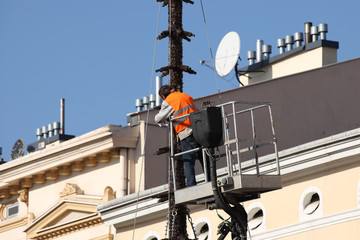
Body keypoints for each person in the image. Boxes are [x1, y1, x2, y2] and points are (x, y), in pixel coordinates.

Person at [155, 85, 209, 187]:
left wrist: (168, 117)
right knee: (204, 156)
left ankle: (191, 185)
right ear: (172, 90)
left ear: (163, 96)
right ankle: (210, 180)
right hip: (198, 130)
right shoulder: (185, 96)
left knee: (188, 160)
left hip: (186, 132)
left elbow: (158, 119)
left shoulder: (169, 100)